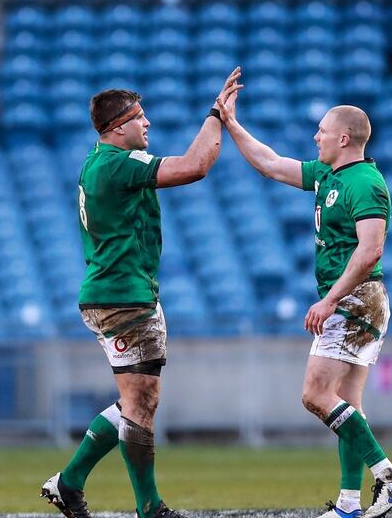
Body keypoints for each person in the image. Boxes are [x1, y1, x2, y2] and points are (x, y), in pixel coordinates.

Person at [41, 68, 242, 518]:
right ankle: (148, 507)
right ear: (118, 128)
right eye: (139, 116)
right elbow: (196, 166)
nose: (147, 123)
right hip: (122, 296)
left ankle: (69, 483)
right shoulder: (117, 162)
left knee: (137, 401)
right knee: (140, 404)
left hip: (115, 292)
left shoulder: (99, 161)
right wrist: (217, 115)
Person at [215, 79, 392, 518]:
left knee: (315, 395)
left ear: (344, 138)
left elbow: (371, 249)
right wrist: (231, 123)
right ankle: (348, 504)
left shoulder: (365, 182)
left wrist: (330, 301)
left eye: (322, 131)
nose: (315, 137)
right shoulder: (329, 175)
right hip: (359, 300)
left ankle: (388, 475)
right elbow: (270, 164)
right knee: (348, 404)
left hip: (355, 299)